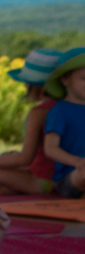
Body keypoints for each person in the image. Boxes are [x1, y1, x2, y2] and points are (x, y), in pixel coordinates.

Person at [0, 49, 63, 195]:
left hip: (45, 181)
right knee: (6, 157)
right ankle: (8, 188)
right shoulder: (70, 107)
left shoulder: (40, 113)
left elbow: (25, 159)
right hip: (63, 176)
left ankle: (10, 190)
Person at [43, 46, 85, 199]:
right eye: (84, 78)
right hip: (69, 177)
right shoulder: (59, 111)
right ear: (65, 79)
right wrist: (78, 162)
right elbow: (50, 148)